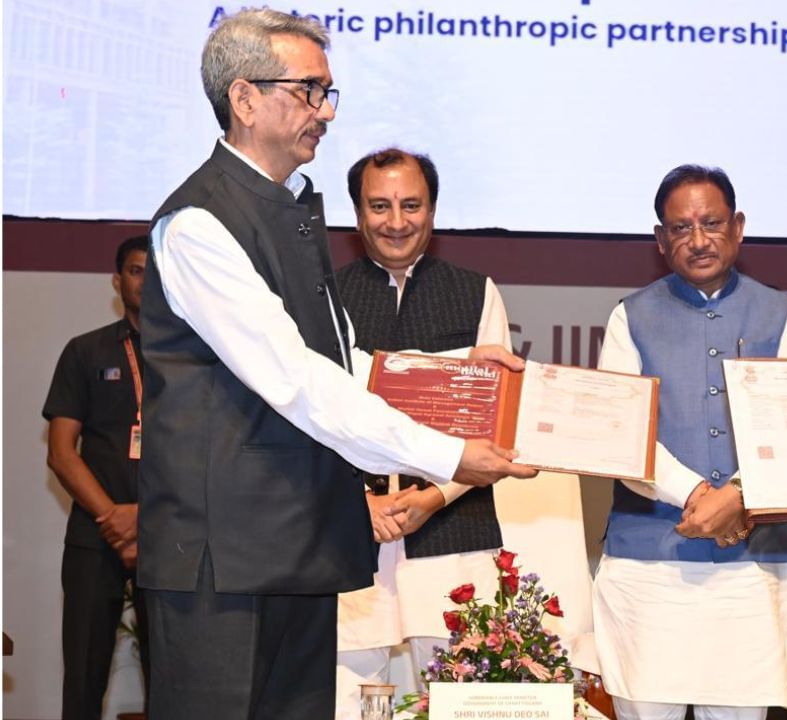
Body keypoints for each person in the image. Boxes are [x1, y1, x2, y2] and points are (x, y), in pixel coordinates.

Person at [138, 10, 535, 720]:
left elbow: (348, 362)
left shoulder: (287, 210)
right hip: (220, 561)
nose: (325, 111)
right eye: (309, 90)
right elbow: (297, 380)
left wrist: (461, 375)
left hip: (295, 545)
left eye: (327, 93)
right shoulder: (199, 223)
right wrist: (450, 455)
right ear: (244, 99)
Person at [592, 164, 787, 720]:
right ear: (660, 240)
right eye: (680, 228)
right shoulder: (629, 317)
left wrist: (737, 495)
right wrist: (696, 494)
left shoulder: (783, 313)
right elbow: (620, 436)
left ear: (738, 227)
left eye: (711, 223)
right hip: (648, 566)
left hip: (752, 567)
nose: (698, 239)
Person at [332, 148, 514, 717]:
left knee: (458, 702)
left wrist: (433, 497)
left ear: (432, 211)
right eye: (379, 206)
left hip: (454, 532)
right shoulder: (323, 297)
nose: (396, 221)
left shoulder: (476, 291)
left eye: (411, 205)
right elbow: (311, 417)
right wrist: (356, 502)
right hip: (350, 531)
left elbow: (493, 431)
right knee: (348, 702)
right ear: (357, 213)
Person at [43, 235, 151, 720]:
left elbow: (207, 456)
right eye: (135, 270)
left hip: (167, 533)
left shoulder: (191, 359)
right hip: (95, 534)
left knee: (173, 682)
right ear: (116, 280)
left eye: (156, 272)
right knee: (83, 681)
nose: (145, 281)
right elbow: (61, 453)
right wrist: (114, 519)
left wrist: (143, 519)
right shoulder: (85, 351)